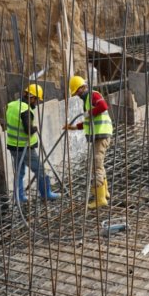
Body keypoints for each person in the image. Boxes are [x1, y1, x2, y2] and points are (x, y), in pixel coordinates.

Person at [5, 84, 60, 203]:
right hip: (25, 148)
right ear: (31, 97)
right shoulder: (25, 110)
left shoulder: (12, 105)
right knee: (40, 169)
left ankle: (19, 197)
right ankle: (46, 193)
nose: (36, 103)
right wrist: (35, 128)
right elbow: (28, 130)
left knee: (19, 171)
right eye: (36, 100)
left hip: (13, 146)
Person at [64, 75, 113, 208]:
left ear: (82, 88)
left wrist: (89, 113)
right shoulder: (87, 100)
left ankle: (100, 199)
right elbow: (88, 121)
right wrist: (73, 127)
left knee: (96, 164)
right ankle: (105, 192)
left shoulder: (93, 95)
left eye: (77, 92)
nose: (77, 95)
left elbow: (103, 106)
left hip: (102, 134)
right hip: (99, 135)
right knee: (98, 164)